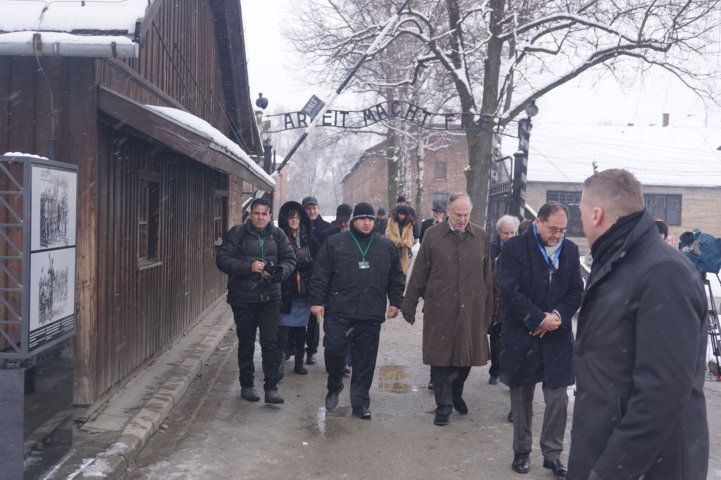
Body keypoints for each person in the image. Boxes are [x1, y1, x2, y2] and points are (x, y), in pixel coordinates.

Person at [567, 169, 708, 480]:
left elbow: (663, 392)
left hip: (648, 466)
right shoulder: (621, 262)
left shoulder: (663, 272)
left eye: (579, 212)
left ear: (596, 214)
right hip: (611, 451)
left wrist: (609, 472)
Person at [499, 201, 583, 477]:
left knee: (558, 397)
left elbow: (576, 291)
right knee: (522, 395)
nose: (557, 235)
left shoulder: (570, 251)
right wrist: (537, 318)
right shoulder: (514, 248)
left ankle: (553, 454)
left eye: (562, 230)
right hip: (522, 332)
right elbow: (509, 291)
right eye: (552, 229)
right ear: (538, 222)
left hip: (557, 334)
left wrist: (556, 316)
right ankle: (521, 451)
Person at [401, 192, 494, 426]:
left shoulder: (480, 236)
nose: (462, 219)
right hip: (440, 307)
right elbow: (419, 272)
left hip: (471, 308)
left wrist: (490, 308)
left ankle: (456, 395)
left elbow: (488, 276)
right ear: (448, 213)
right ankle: (443, 406)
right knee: (441, 359)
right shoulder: (433, 236)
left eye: (466, 215)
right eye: (457, 214)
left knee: (466, 358)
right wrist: (409, 304)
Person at [310, 202, 405, 419]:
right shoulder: (335, 242)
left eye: (370, 219)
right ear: (353, 220)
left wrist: (395, 301)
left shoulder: (385, 246)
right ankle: (334, 386)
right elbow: (320, 274)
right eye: (362, 218)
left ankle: (360, 402)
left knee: (365, 360)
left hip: (370, 313)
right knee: (334, 352)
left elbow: (396, 276)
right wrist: (317, 301)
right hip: (339, 310)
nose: (367, 222)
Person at [216, 198, 296, 405]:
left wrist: (279, 272)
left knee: (270, 342)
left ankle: (271, 387)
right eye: (256, 213)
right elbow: (222, 260)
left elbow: (290, 260)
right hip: (243, 297)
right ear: (250, 214)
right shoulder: (238, 233)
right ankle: (247, 385)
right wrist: (249, 266)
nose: (260, 217)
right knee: (246, 342)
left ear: (270, 215)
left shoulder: (278, 235)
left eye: (264, 213)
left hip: (270, 297)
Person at [276, 201, 320, 378]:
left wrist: (307, 263)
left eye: (296, 217)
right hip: (287, 288)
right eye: (290, 217)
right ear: (286, 220)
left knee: (302, 327)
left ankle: (299, 362)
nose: (294, 220)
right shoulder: (280, 237)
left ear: (300, 219)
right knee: (283, 327)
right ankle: (279, 362)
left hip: (304, 290)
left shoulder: (309, 237)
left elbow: (318, 260)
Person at [488, 214, 520, 385]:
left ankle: (510, 373)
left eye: (512, 233)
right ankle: (495, 370)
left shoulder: (521, 249)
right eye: (505, 233)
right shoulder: (491, 248)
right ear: (499, 232)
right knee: (496, 339)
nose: (509, 237)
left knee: (514, 340)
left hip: (514, 301)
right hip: (496, 300)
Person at [302, 195, 331, 366]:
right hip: (301, 277)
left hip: (319, 278)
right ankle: (293, 347)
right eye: (308, 208)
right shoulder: (300, 227)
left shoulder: (327, 229)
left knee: (315, 317)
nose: (312, 211)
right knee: (298, 315)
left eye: (314, 208)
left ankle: (311, 351)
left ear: (318, 209)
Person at [385, 205, 415, 275]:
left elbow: (409, 235)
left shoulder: (409, 223)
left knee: (403, 271)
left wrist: (406, 242)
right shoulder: (392, 220)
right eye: (400, 214)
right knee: (392, 269)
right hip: (392, 247)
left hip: (404, 249)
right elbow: (388, 233)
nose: (401, 216)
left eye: (403, 215)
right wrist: (398, 242)